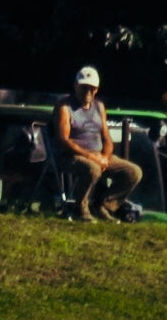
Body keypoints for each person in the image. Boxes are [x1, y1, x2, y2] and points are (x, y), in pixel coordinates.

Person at [55, 66, 142, 221]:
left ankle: (104, 205)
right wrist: (91, 156)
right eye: (84, 87)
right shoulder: (64, 107)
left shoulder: (99, 106)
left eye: (92, 88)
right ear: (76, 86)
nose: (88, 91)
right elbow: (64, 139)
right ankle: (81, 208)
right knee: (93, 169)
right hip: (72, 156)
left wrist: (105, 157)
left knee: (133, 172)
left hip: (99, 155)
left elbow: (107, 137)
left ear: (97, 89)